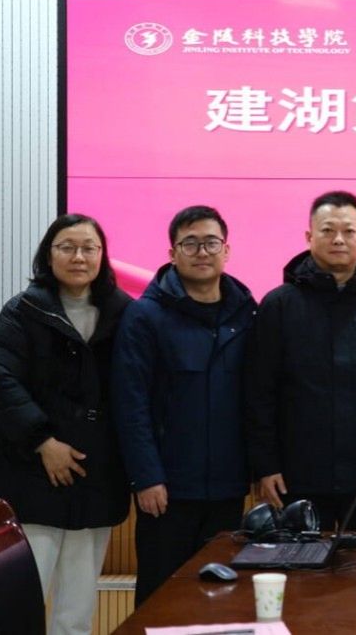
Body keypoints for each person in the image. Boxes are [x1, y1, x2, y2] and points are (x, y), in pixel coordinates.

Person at [0, 214, 131, 635]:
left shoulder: (124, 313)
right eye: (67, 247)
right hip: (27, 478)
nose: (79, 257)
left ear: (102, 256)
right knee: (19, 610)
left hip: (94, 480)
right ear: (48, 255)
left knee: (76, 612)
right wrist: (43, 441)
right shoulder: (23, 310)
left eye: (89, 248)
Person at [111, 205, 256, 605]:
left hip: (228, 487)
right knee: (160, 599)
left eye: (211, 242)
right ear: (172, 253)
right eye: (189, 243)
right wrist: (146, 477)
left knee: (220, 599)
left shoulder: (246, 313)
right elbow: (130, 403)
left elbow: (257, 399)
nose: (202, 252)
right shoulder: (145, 316)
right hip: (166, 490)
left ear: (226, 250)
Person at [244, 190, 356, 531]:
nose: (339, 239)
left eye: (349, 231)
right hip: (297, 474)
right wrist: (265, 465)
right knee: (301, 563)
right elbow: (260, 391)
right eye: (328, 230)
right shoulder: (279, 305)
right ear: (309, 236)